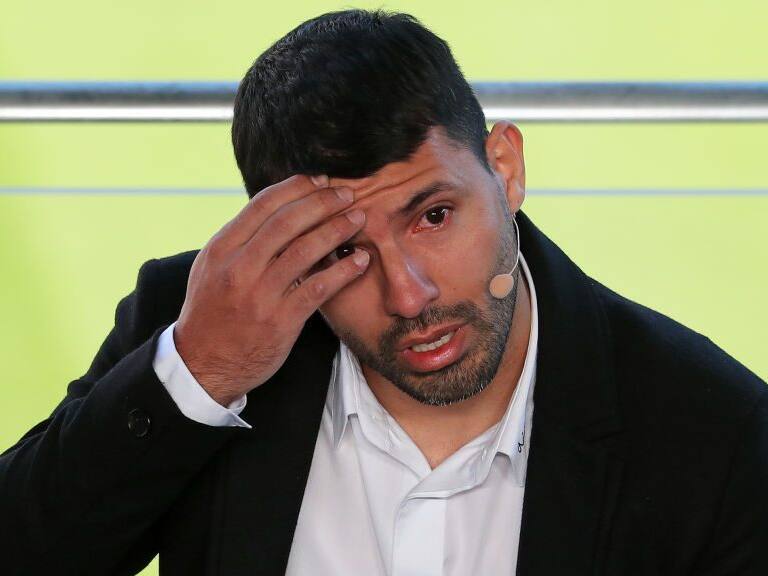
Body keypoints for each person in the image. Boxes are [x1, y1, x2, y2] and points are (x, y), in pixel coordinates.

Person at [1, 8, 766, 576]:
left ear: (504, 169)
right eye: (343, 249)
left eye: (433, 216)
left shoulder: (717, 432)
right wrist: (200, 374)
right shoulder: (199, 331)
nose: (408, 295)